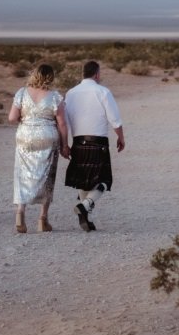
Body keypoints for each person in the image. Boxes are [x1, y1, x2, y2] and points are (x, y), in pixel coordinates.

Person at [7, 63, 70, 234]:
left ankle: (20, 212)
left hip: (25, 136)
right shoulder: (55, 97)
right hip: (47, 135)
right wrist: (65, 145)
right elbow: (62, 123)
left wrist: (26, 120)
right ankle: (43, 218)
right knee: (47, 176)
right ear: (51, 77)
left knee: (22, 174)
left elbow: (12, 118)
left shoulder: (21, 93)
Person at [62, 60, 124, 230]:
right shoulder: (103, 91)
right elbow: (115, 119)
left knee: (84, 181)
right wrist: (121, 137)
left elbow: (64, 122)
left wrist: (65, 144)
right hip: (98, 142)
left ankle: (85, 218)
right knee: (104, 179)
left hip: (78, 141)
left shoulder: (71, 93)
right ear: (96, 74)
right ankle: (86, 204)